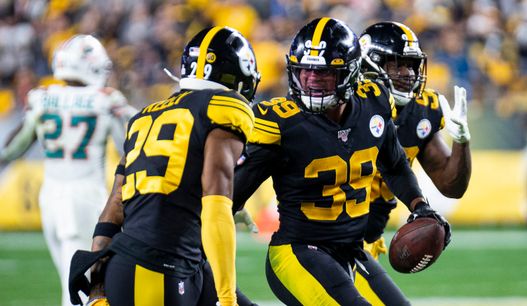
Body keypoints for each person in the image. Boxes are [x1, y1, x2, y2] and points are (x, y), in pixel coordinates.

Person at [232, 17, 451, 305]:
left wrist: (419, 205)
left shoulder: (374, 103)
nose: (311, 83)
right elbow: (228, 196)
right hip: (297, 251)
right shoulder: (281, 123)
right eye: (304, 73)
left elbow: (394, 165)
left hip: (350, 250)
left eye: (323, 75)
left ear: (349, 73)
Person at [78, 26, 260, 306]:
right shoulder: (224, 108)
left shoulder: (144, 117)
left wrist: (96, 289)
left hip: (155, 264)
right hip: (156, 268)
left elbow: (114, 206)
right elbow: (216, 204)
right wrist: (227, 299)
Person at [0, 34, 134, 306]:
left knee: (70, 277)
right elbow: (131, 145)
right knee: (80, 286)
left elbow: (12, 148)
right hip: (86, 197)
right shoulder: (105, 100)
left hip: (50, 197)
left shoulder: (43, 98)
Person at [354, 21, 472, 305]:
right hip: (327, 233)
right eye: (397, 65)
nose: (407, 74)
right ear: (370, 64)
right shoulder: (346, 105)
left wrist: (461, 141)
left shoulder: (420, 111)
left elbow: (450, 185)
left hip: (367, 239)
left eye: (411, 65)